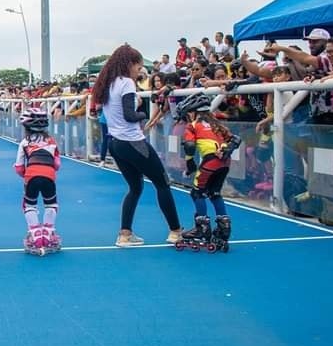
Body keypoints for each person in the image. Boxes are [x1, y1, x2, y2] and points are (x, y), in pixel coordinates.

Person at [91, 44, 183, 247]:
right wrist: (143, 112)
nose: (139, 71)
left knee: (135, 187)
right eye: (138, 67)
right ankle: (176, 231)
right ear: (129, 64)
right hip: (132, 141)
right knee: (162, 183)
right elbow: (129, 115)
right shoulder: (126, 83)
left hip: (116, 143)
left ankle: (125, 234)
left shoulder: (108, 84)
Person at [175, 93, 240, 251]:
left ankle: (201, 227)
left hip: (210, 161)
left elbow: (190, 146)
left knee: (197, 192)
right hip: (225, 162)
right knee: (215, 192)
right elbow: (235, 139)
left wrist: (190, 163)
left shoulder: (193, 125)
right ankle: (224, 228)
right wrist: (227, 150)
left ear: (192, 112)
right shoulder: (216, 123)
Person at [14, 107, 62, 254]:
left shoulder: (24, 143)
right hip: (49, 175)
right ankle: (48, 235)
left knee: (30, 205)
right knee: (51, 204)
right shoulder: (52, 142)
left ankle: (35, 236)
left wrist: (26, 175)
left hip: (31, 175)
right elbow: (57, 164)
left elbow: (19, 167)